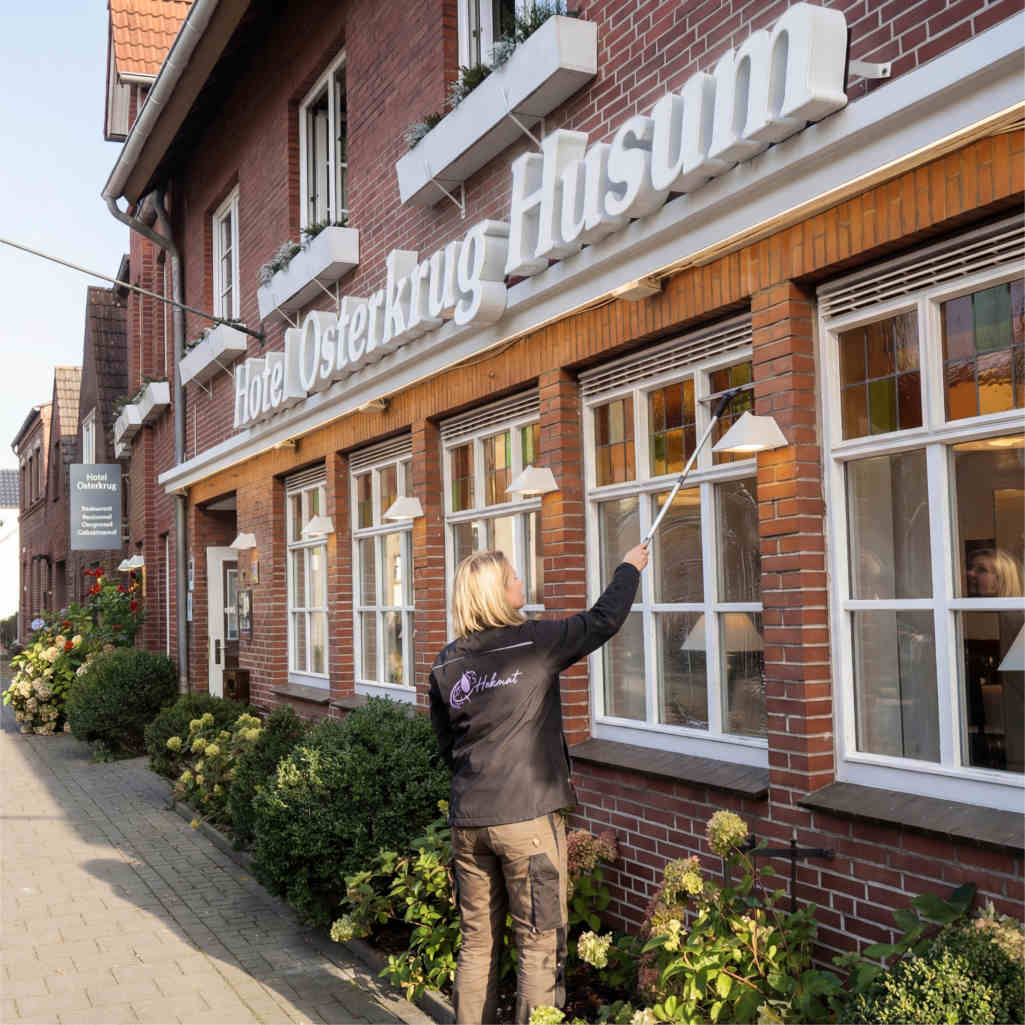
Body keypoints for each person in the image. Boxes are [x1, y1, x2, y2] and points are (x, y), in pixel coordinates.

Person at [429, 543, 649, 1025]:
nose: (520, 585)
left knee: (477, 942)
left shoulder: (445, 665)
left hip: (469, 824)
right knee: (538, 942)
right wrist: (629, 568)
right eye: (512, 579)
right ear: (495, 594)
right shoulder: (534, 641)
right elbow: (603, 621)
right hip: (527, 822)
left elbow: (448, 748)